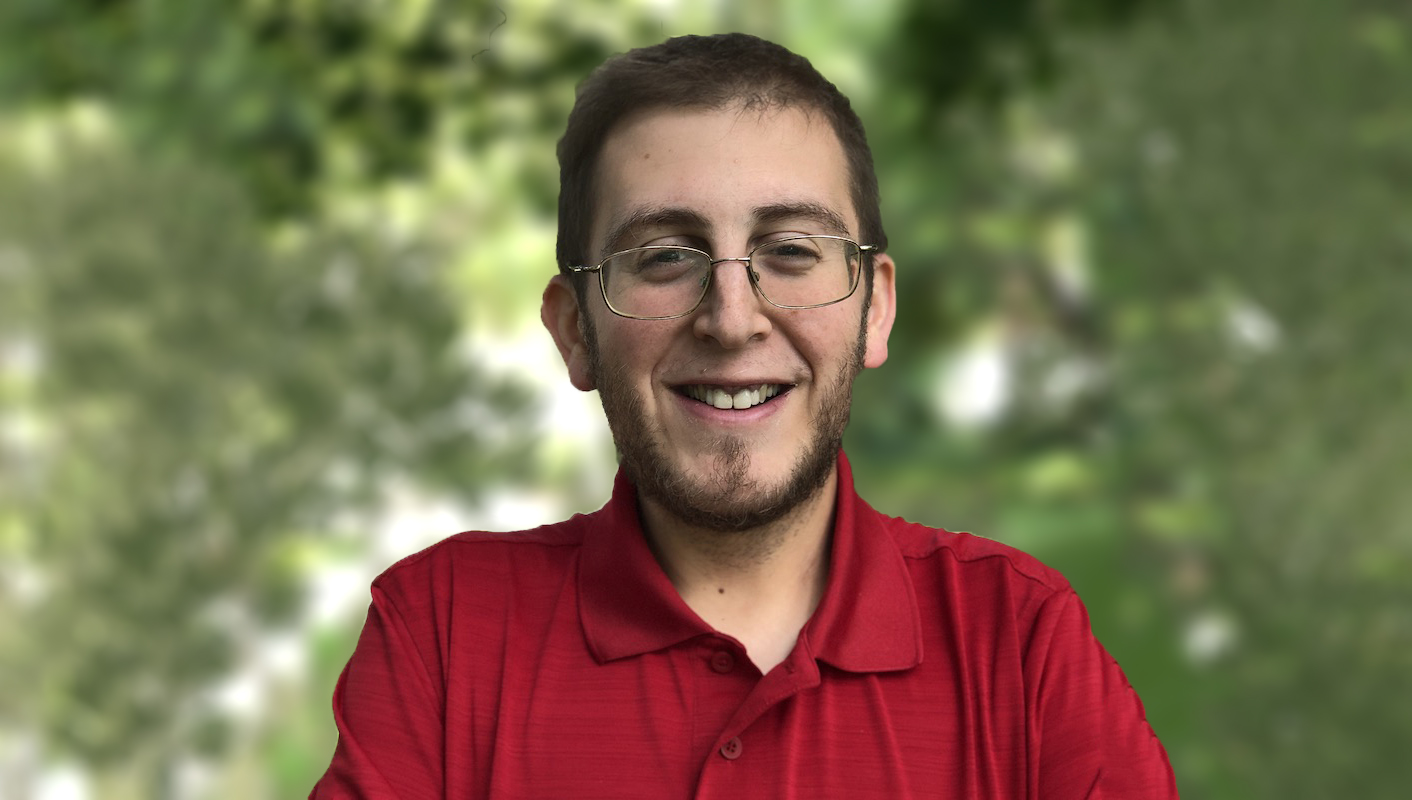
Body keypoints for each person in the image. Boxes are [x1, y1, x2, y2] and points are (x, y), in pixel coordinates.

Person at [311, 33, 1177, 799]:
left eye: (792, 251)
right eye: (664, 258)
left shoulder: (1020, 644)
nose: (732, 320)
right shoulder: (446, 632)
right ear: (576, 331)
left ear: (875, 309)